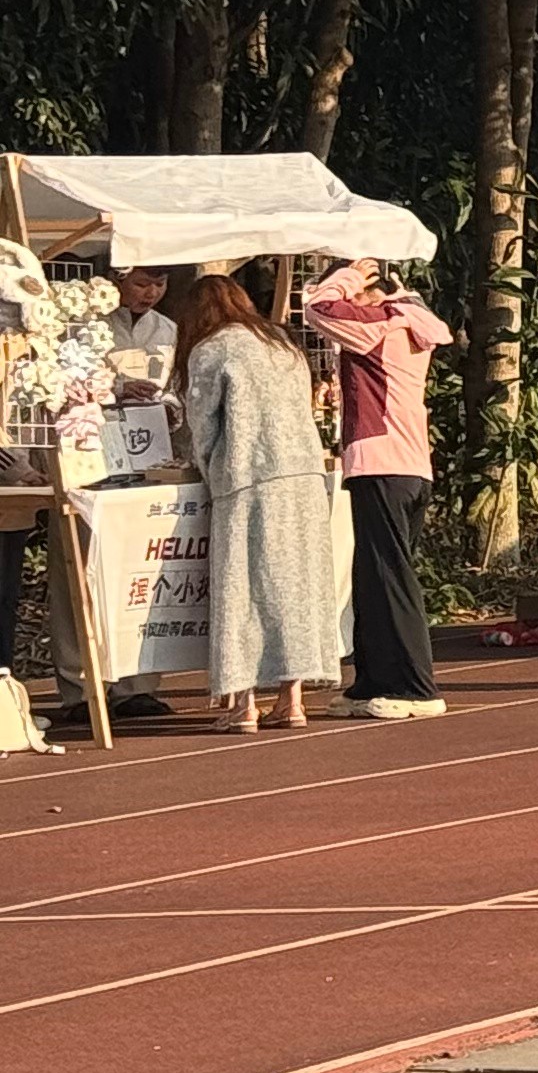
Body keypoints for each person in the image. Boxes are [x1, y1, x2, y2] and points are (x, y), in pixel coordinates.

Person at [180, 273, 340, 732]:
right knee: (297, 586)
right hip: (304, 475)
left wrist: (207, 467)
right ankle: (293, 699)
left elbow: (203, 425)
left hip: (248, 476)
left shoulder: (211, 349)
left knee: (242, 587)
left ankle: (243, 702)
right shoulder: (282, 343)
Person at [302, 261, 451, 718]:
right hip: (406, 464)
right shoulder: (412, 317)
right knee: (371, 576)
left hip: (382, 461)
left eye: (355, 296)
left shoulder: (382, 321)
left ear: (370, 290)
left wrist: (349, 275)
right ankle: (372, 680)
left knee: (389, 576)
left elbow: (318, 308)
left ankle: (415, 688)